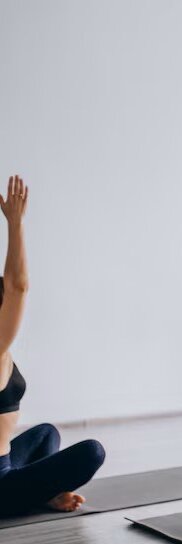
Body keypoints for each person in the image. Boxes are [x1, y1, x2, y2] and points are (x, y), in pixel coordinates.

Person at [0, 175, 105, 516]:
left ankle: (42, 494)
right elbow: (19, 286)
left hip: (5, 467)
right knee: (92, 452)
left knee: (46, 434)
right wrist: (15, 224)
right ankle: (39, 496)